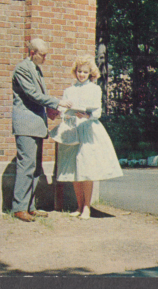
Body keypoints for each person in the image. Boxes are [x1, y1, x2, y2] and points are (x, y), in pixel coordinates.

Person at [50, 55, 123, 219]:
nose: (81, 74)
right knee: (75, 169)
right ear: (75, 72)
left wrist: (87, 115)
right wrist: (64, 113)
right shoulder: (69, 90)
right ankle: (78, 205)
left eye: (85, 72)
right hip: (72, 129)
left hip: (88, 129)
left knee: (86, 168)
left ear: (90, 73)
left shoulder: (94, 89)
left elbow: (97, 111)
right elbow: (64, 112)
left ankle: (87, 207)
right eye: (79, 71)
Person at [11, 38, 72, 222]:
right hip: (26, 125)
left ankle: (29, 207)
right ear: (32, 52)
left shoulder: (36, 70)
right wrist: (56, 101)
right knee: (26, 166)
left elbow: (37, 98)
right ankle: (19, 208)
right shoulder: (22, 68)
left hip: (36, 124)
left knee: (35, 168)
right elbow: (33, 95)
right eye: (42, 55)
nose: (45, 59)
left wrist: (50, 110)